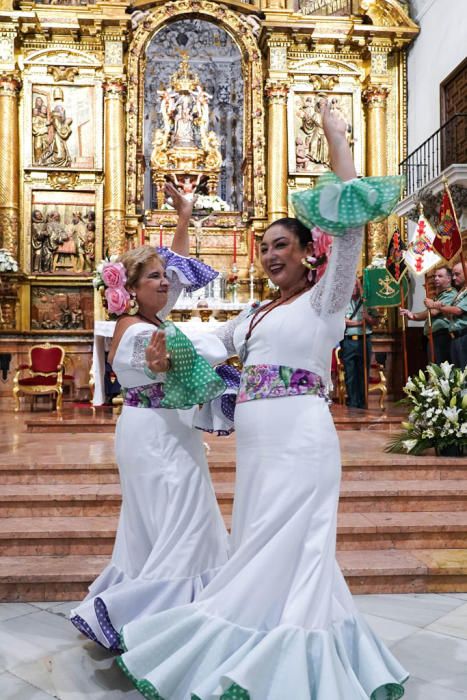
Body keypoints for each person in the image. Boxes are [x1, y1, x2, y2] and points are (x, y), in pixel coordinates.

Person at [116, 101, 407, 699]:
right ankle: (270, 649)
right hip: (259, 449)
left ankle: (296, 660)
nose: (272, 255)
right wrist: (157, 341)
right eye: (265, 247)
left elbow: (351, 229)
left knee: (298, 547)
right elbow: (208, 345)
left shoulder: (324, 300)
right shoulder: (253, 314)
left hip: (301, 441)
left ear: (307, 252)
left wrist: (334, 137)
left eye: (282, 246)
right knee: (256, 546)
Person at [70, 183, 231, 650]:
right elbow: (157, 363)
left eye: (164, 277)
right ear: (133, 290)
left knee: (153, 527)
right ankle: (162, 619)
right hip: (157, 438)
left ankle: (138, 604)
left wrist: (183, 218)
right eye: (154, 278)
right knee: (186, 521)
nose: (166, 283)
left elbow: (179, 273)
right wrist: (165, 364)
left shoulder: (149, 321)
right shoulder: (140, 333)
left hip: (158, 431)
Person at [400, 265, 455, 364]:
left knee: (441, 370)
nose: (436, 278)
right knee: (433, 369)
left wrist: (414, 316)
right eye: (435, 276)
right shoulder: (439, 296)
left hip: (443, 335)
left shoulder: (450, 294)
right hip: (433, 336)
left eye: (440, 276)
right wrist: (412, 315)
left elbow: (433, 312)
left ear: (449, 279)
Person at [341, 278, 379, 408]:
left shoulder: (367, 302)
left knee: (363, 371)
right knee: (350, 373)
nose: (354, 289)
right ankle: (352, 401)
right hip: (348, 341)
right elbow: (342, 320)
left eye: (356, 286)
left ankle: (363, 402)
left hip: (364, 340)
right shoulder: (342, 302)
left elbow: (375, 321)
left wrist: (367, 318)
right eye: (351, 286)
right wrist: (358, 323)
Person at [425, 261, 467, 368]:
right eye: (453, 274)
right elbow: (451, 315)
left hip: (463, 334)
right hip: (455, 335)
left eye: (457, 274)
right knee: (458, 375)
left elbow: (458, 310)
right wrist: (442, 307)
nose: (453, 278)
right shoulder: (460, 292)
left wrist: (436, 305)